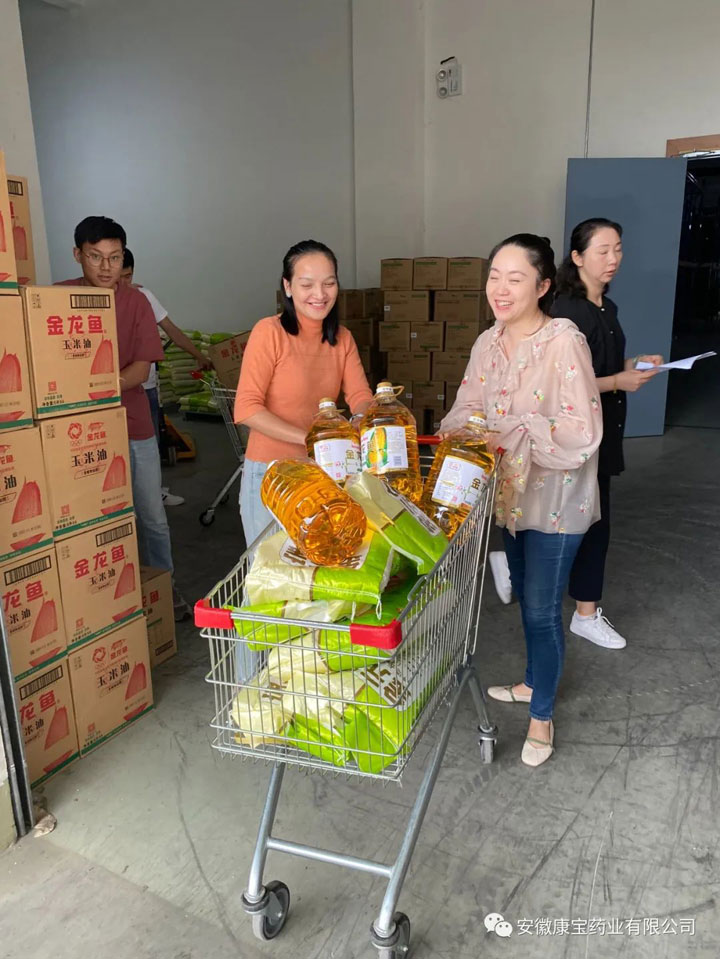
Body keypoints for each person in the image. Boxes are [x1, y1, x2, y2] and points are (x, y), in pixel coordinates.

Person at [439, 234, 602, 766]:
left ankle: (541, 718)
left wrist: (511, 427)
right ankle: (533, 682)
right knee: (529, 601)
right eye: (494, 277)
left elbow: (582, 431)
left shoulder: (564, 341)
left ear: (543, 285)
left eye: (515, 279)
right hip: (509, 497)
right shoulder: (487, 342)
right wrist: (465, 431)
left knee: (540, 608)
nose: (501, 289)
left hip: (557, 500)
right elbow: (466, 406)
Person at [488, 219, 661, 650]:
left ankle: (524, 570)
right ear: (578, 257)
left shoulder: (606, 308)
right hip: (566, 441)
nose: (613, 258)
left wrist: (633, 366)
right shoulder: (567, 315)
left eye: (618, 249)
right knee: (581, 525)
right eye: (602, 250)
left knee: (590, 522)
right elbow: (561, 388)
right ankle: (583, 612)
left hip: (601, 431)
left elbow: (599, 368)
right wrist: (617, 382)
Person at [58, 216, 189, 620]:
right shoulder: (58, 299)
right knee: (90, 520)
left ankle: (163, 590)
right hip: (75, 433)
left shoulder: (136, 303)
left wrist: (95, 387)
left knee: (151, 515)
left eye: (114, 258)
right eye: (95, 256)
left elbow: (141, 368)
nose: (106, 267)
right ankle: (102, 600)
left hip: (133, 426)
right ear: (78, 255)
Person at [234, 239, 374, 546]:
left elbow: (360, 395)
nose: (319, 294)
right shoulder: (269, 333)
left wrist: (360, 417)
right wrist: (311, 439)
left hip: (324, 473)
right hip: (272, 474)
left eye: (329, 283)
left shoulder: (342, 338)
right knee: (269, 569)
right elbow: (246, 408)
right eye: (307, 284)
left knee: (315, 567)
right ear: (287, 286)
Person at [119, 248, 213, 507]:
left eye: (128, 276)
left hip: (146, 387)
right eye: (119, 277)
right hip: (116, 388)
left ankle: (154, 492)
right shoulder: (100, 299)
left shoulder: (144, 297)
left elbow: (172, 330)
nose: (123, 283)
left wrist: (199, 355)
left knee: (150, 444)